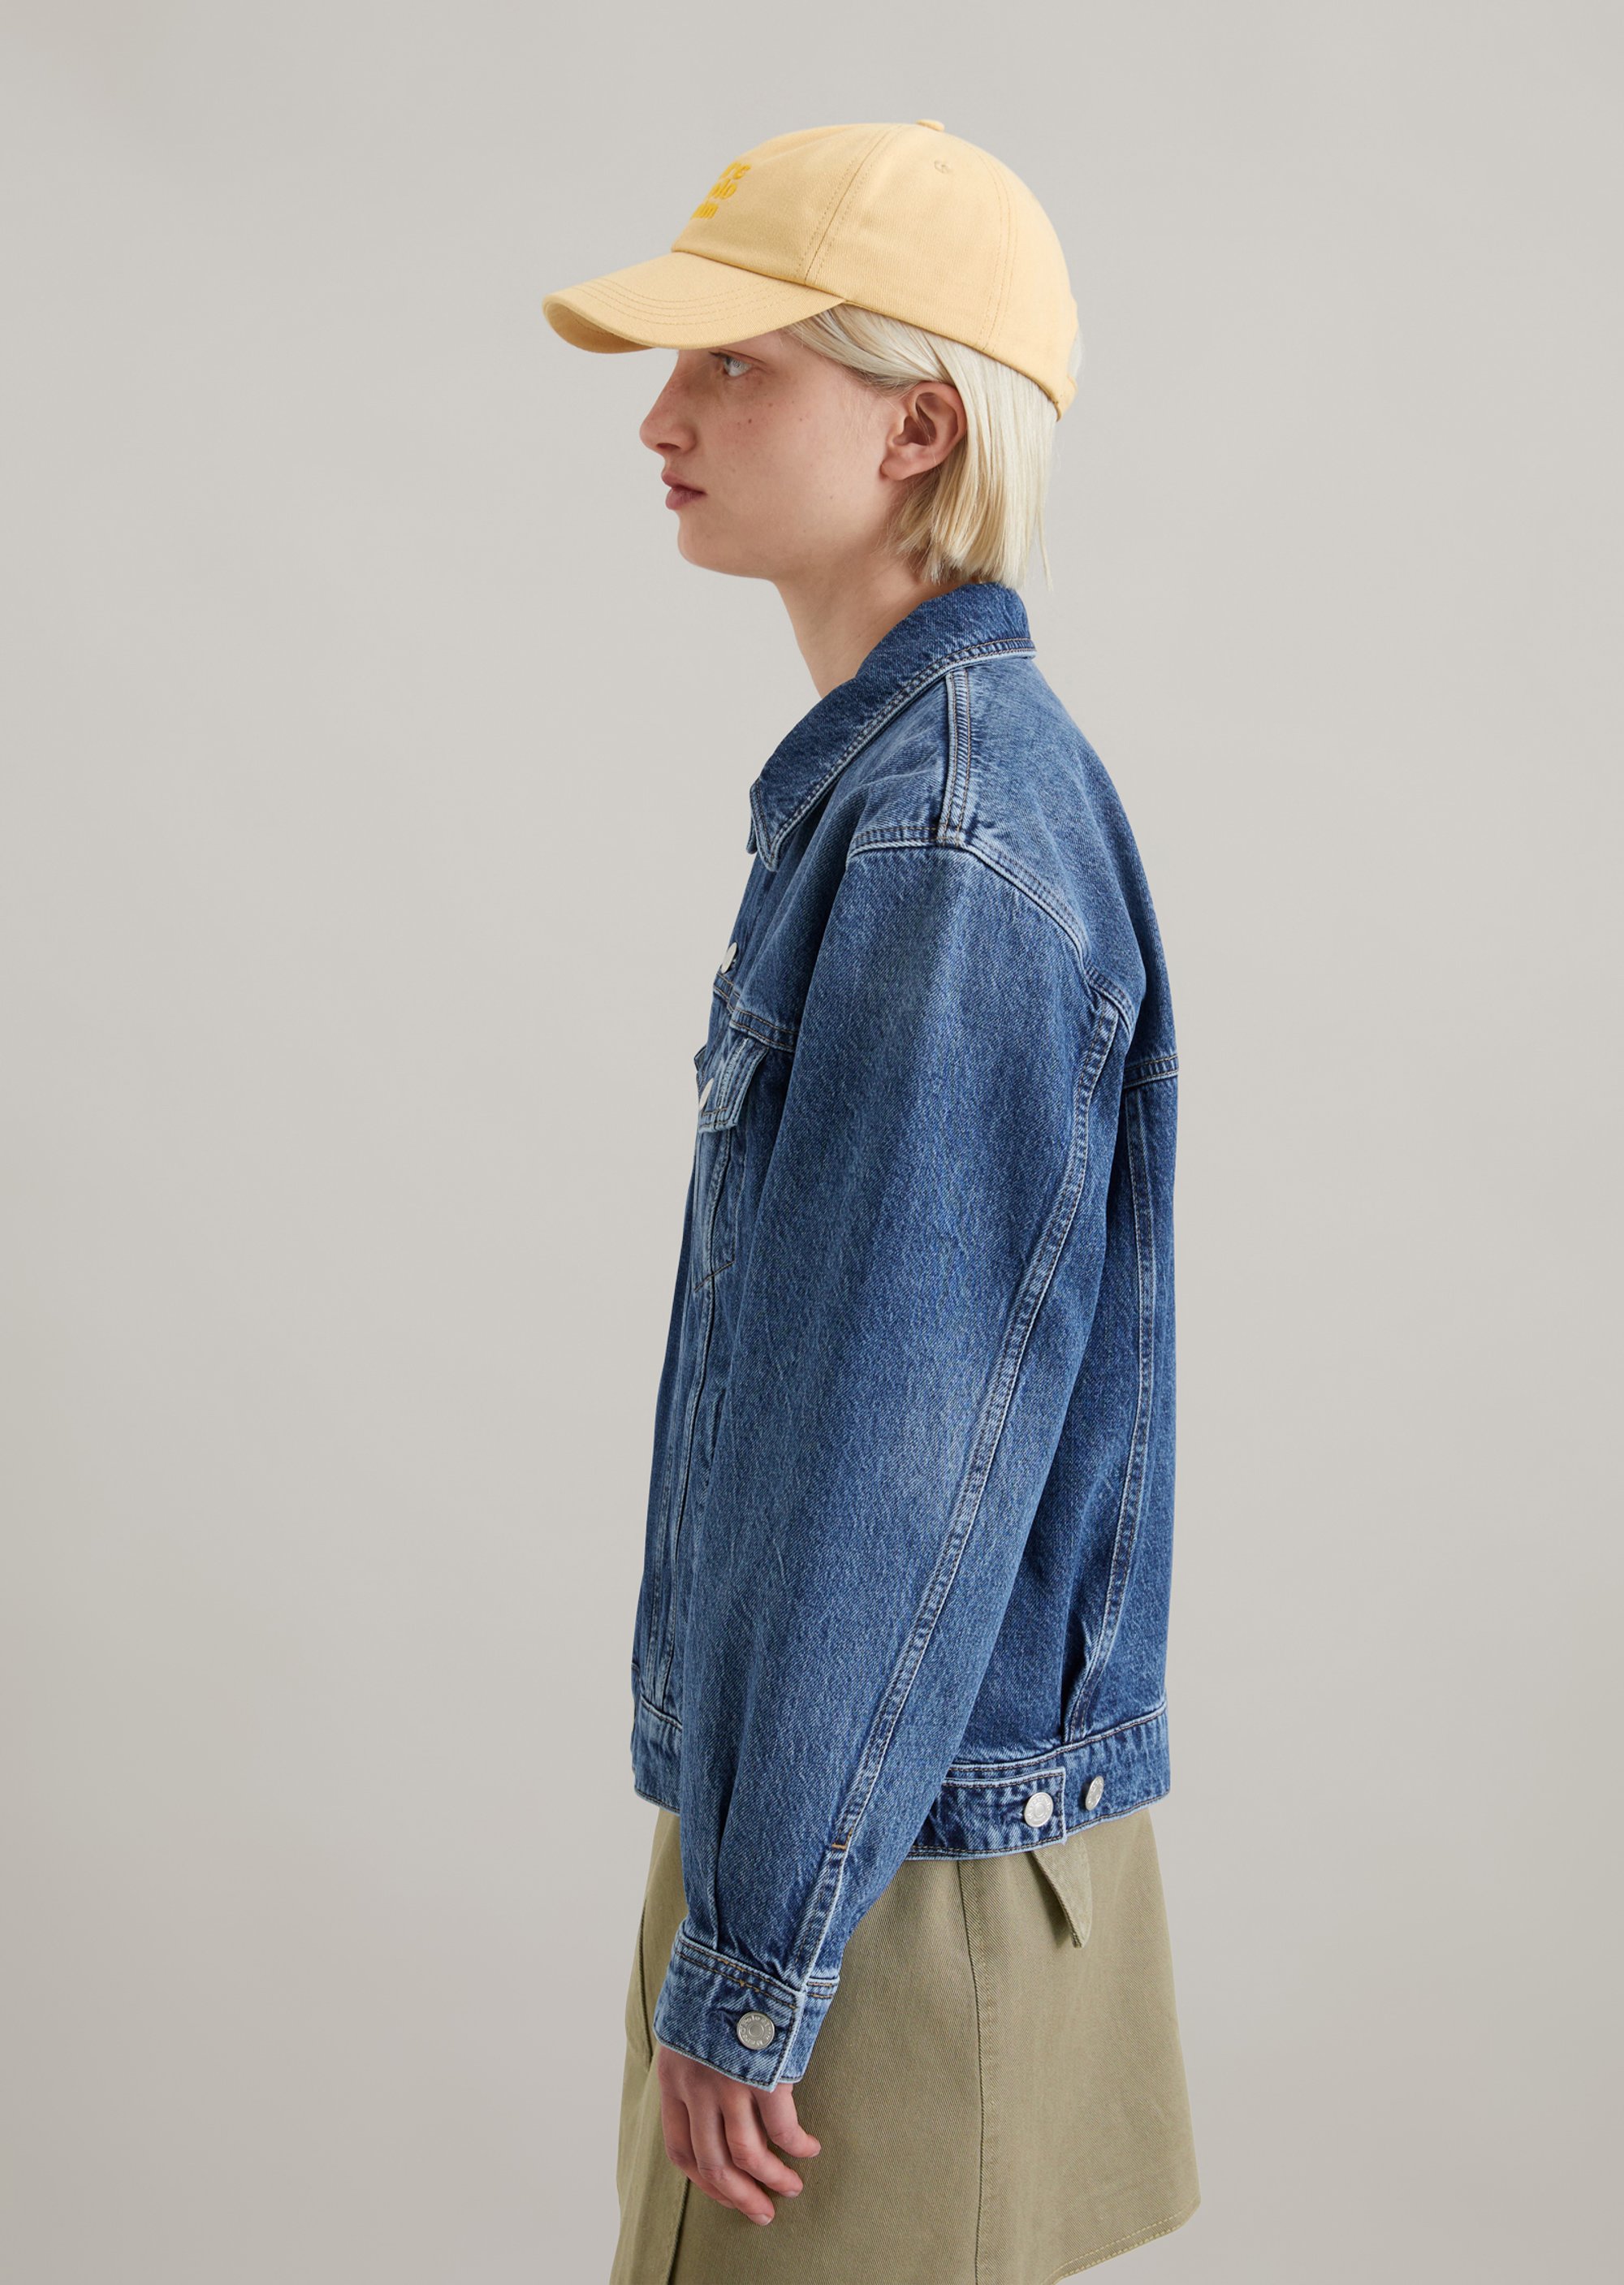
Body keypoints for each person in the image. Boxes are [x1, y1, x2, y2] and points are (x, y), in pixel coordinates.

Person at [545, 118, 1200, 2283]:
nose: (664, 417)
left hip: (883, 1889)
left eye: (732, 365)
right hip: (862, 1837)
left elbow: (896, 1455)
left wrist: (761, 1954)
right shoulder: (914, 801)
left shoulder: (944, 844)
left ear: (920, 429)